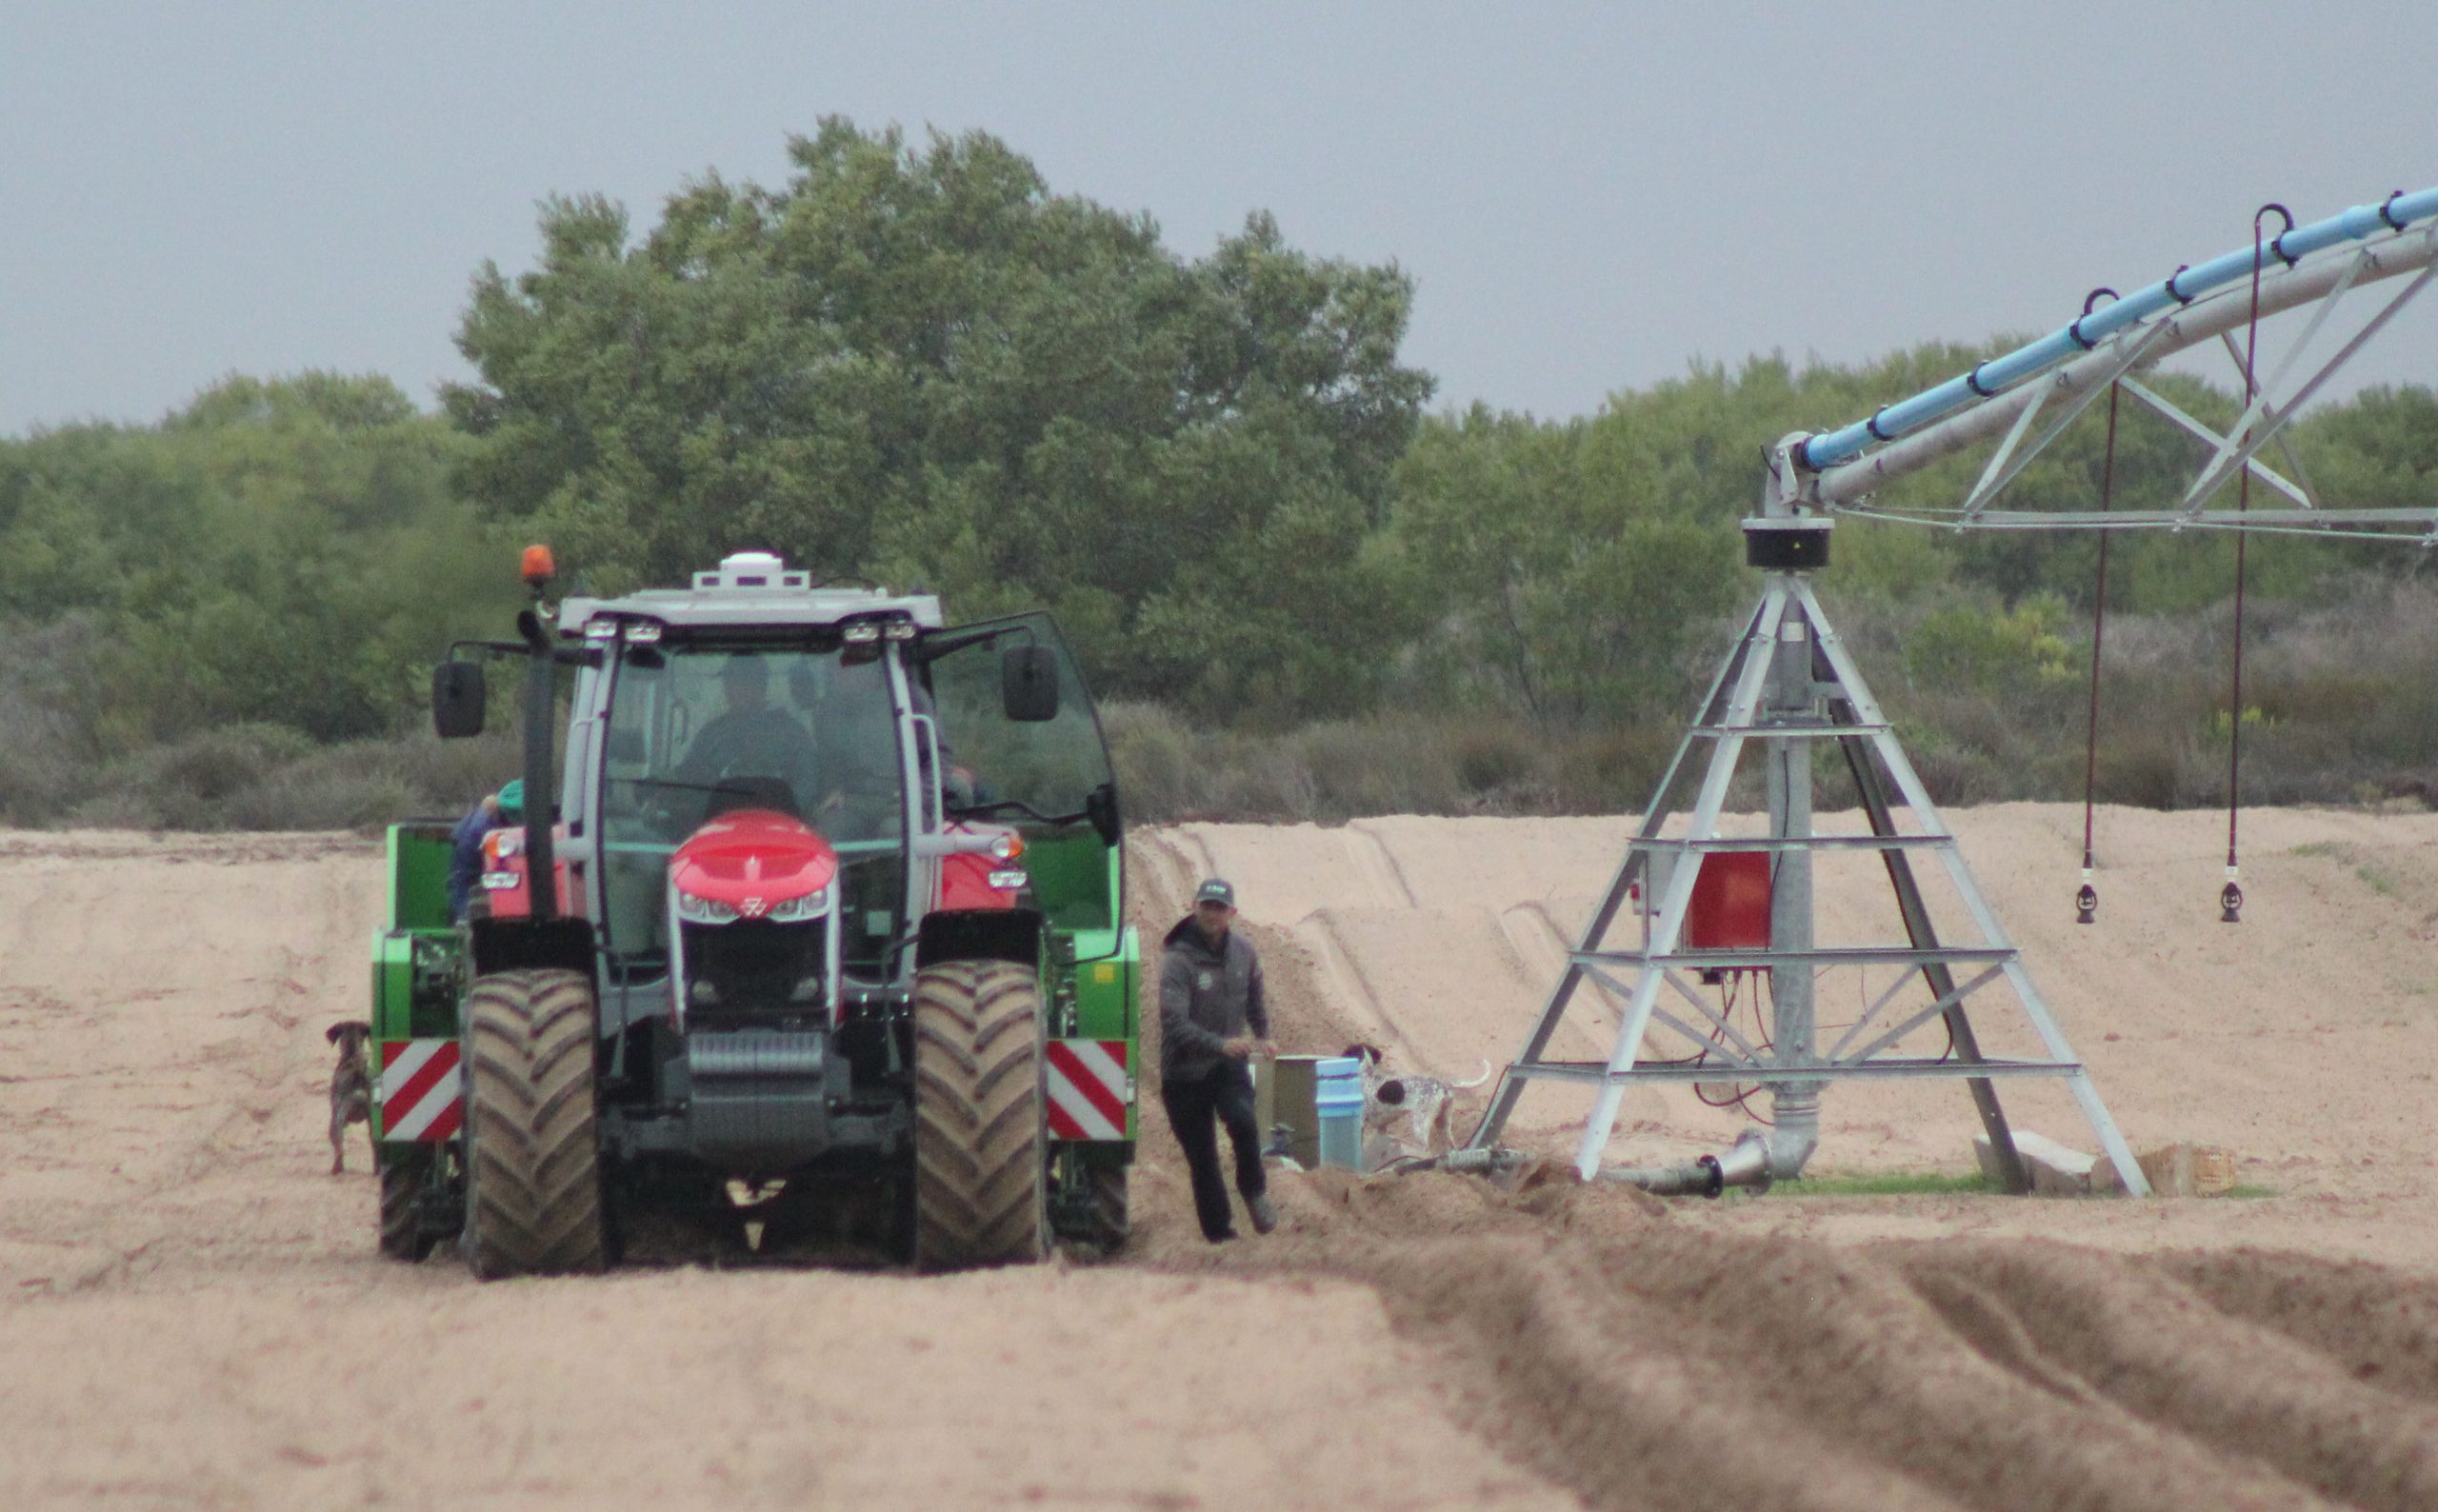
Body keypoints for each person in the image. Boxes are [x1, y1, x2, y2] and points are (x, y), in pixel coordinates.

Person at [1159, 878, 1277, 1242]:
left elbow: (1254, 998)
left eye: (1219, 908)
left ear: (1232, 913)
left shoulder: (1244, 952)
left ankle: (1253, 1189)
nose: (1212, 913)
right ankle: (1220, 1236)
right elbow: (1174, 1022)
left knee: (1244, 1121)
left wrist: (1263, 1035)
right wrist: (1219, 1044)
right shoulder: (1178, 959)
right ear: (1194, 906)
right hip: (1183, 1071)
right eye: (1206, 906)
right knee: (1203, 1157)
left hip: (1227, 1066)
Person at [673, 655, 813, 812]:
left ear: (760, 686)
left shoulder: (792, 734)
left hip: (783, 827)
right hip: (716, 825)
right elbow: (689, 779)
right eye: (728, 682)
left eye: (739, 682)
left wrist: (779, 809)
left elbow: (808, 784)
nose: (729, 689)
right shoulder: (711, 734)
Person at [448, 780, 522, 923]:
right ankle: (464, 920)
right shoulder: (483, 829)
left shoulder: (501, 813)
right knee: (468, 899)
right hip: (469, 865)